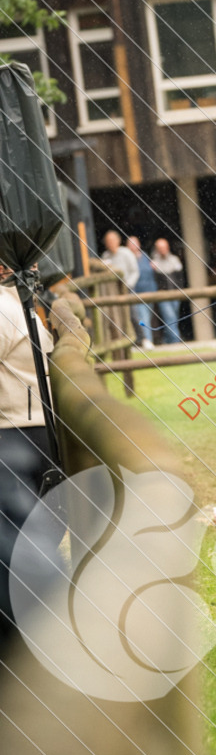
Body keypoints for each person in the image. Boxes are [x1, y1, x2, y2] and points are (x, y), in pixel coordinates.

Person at [0, 272, 55, 646]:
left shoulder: (4, 307)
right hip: (36, 428)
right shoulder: (21, 305)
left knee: (17, 540)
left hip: (13, 430)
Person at [150, 238, 184, 344]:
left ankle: (168, 339)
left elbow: (180, 277)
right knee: (170, 317)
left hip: (175, 293)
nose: (162, 250)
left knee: (173, 318)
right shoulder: (154, 263)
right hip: (163, 295)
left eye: (164, 247)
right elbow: (154, 280)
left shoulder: (174, 260)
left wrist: (180, 290)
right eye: (160, 248)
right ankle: (176, 341)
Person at [126, 236, 157, 349]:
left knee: (147, 317)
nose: (132, 247)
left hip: (149, 291)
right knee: (141, 317)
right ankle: (146, 340)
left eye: (134, 244)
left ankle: (147, 340)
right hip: (136, 292)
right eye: (130, 244)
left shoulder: (145, 256)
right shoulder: (127, 257)